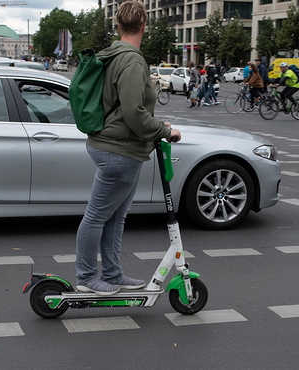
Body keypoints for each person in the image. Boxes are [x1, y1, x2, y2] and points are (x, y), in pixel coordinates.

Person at [75, 0, 180, 295]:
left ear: (118, 25)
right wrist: (165, 131)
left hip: (113, 145)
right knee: (97, 216)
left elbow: (124, 107)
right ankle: (86, 276)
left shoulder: (112, 55)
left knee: (114, 215)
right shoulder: (132, 60)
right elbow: (134, 113)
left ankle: (112, 273)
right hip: (118, 149)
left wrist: (156, 126)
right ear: (144, 26)